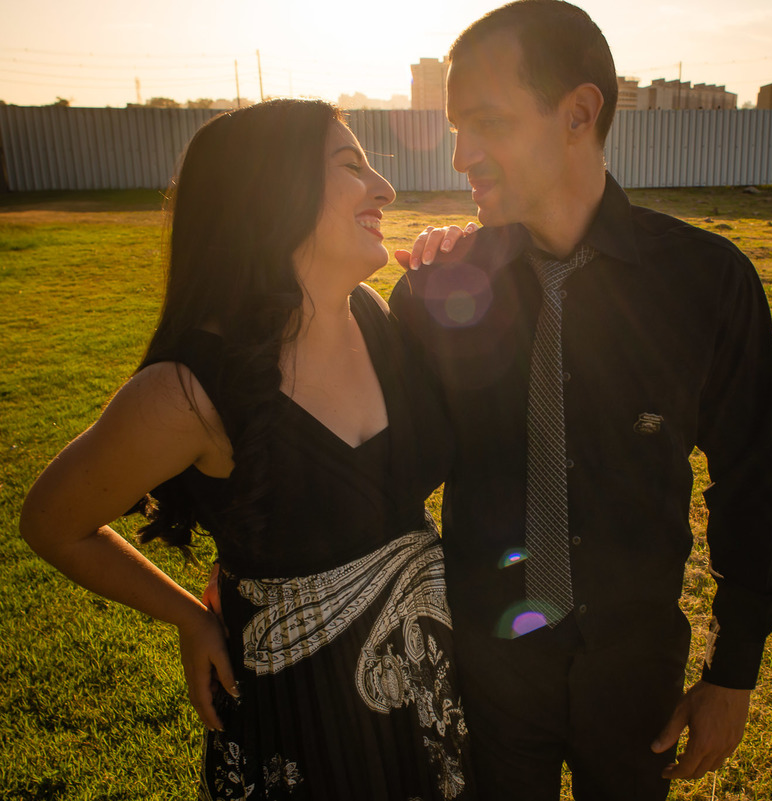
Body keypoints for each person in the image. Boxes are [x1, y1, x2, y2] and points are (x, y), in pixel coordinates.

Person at [390, 2, 772, 798]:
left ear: (578, 113)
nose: (460, 154)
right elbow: (381, 477)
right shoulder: (437, 294)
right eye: (454, 126)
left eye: (486, 122)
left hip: (637, 674)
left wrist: (733, 672)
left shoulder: (709, 284)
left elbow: (749, 485)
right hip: (488, 675)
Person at [20, 99, 471, 800]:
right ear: (273, 189)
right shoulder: (191, 390)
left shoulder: (377, 316)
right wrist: (189, 615)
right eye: (351, 166)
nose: (384, 188)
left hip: (422, 692)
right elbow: (51, 522)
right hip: (303, 727)